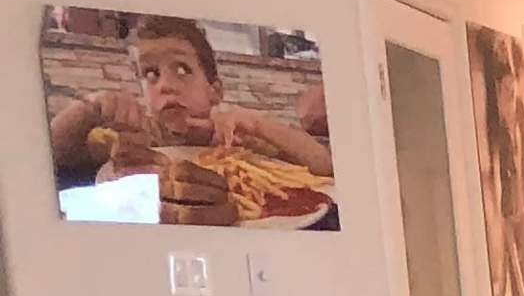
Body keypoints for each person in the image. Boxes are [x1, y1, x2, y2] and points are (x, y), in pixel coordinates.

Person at [47, 16, 332, 222]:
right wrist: (89, 109)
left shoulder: (237, 139)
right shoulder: (135, 137)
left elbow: (324, 165)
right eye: (151, 74)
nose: (165, 85)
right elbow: (54, 153)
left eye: (182, 69)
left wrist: (257, 124)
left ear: (215, 91)